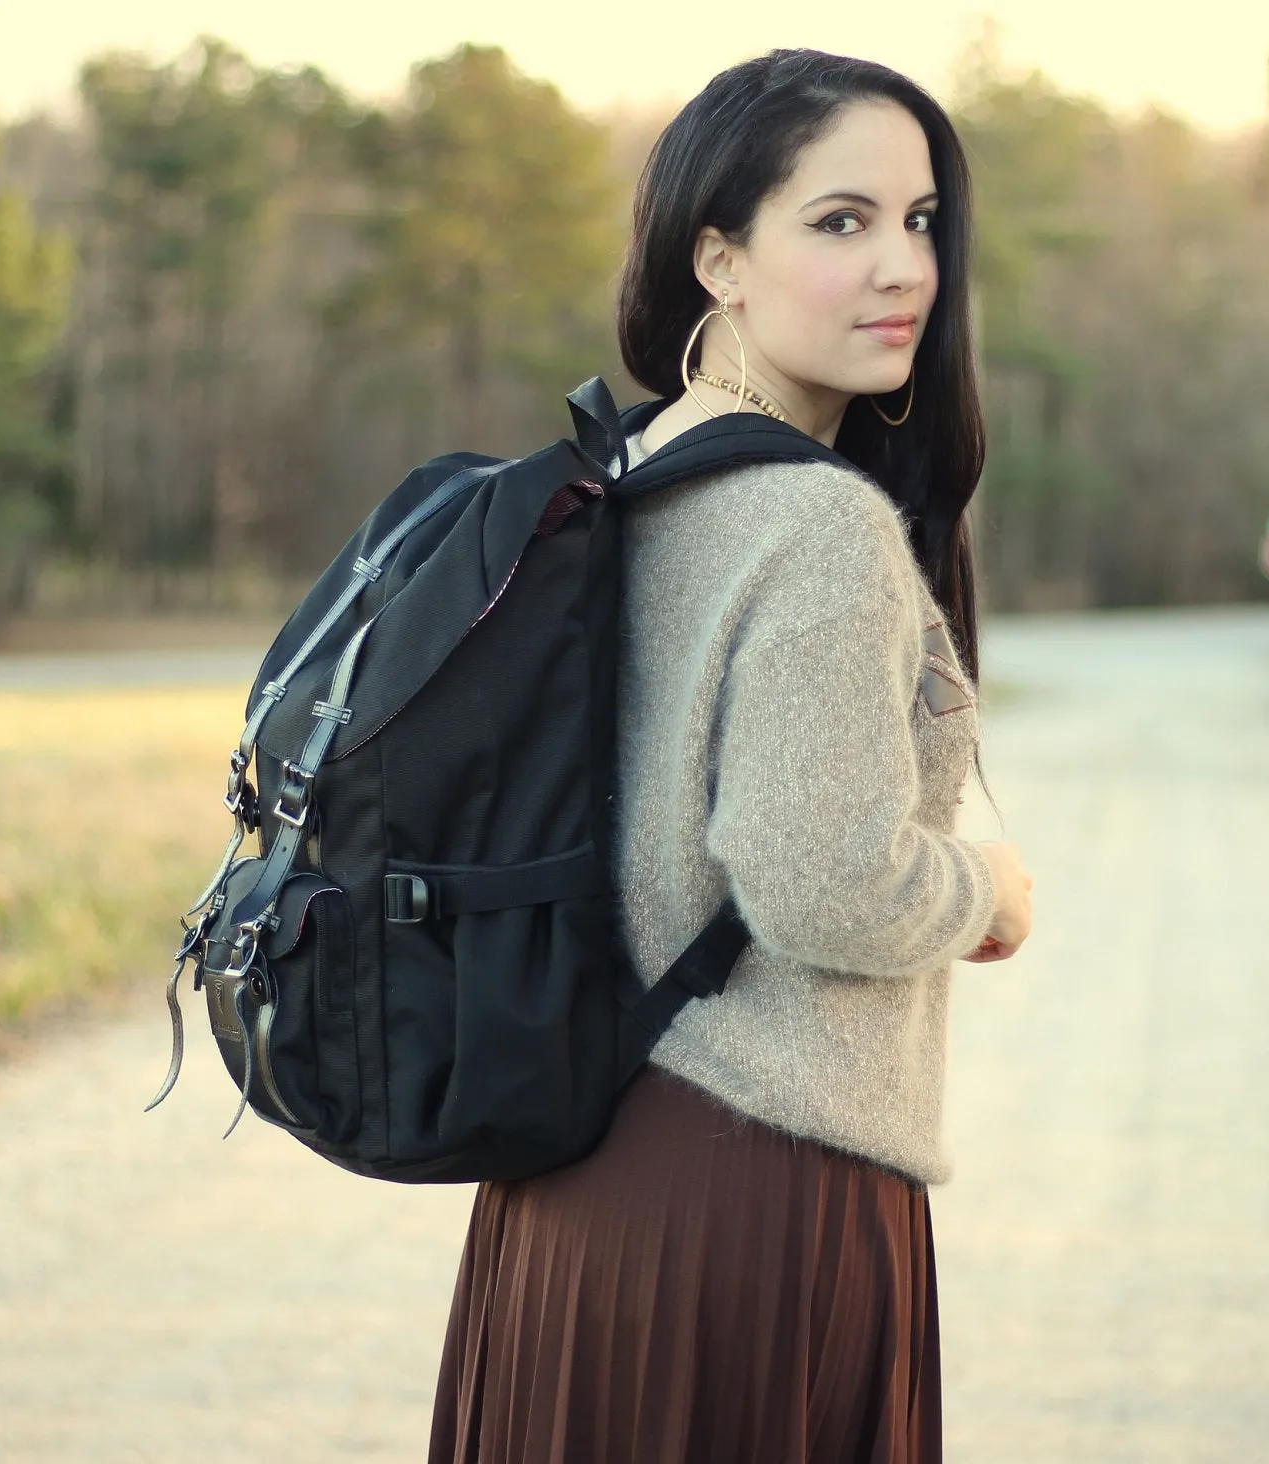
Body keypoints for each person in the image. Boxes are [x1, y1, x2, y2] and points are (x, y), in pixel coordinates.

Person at [428, 47, 1034, 1464]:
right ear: (720, 258)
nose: (901, 266)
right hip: (756, 1201)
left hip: (565, 1193)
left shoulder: (615, 482)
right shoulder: (814, 527)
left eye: (921, 220)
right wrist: (987, 890)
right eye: (841, 222)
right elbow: (821, 882)